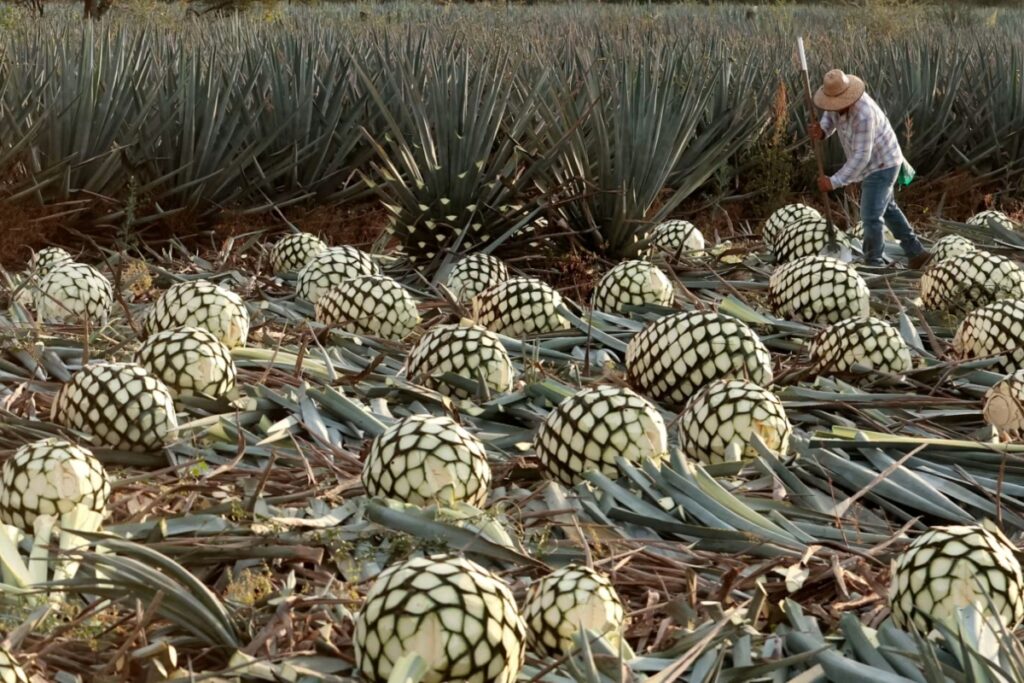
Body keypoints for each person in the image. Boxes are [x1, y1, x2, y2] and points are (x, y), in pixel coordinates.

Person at [809, 69, 931, 269]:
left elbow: (861, 158)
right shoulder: (834, 103)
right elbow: (829, 119)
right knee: (889, 209)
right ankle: (917, 253)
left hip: (883, 164)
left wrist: (834, 181)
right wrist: (821, 131)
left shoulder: (864, 114)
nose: (834, 107)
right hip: (872, 164)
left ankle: (873, 264)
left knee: (871, 216)